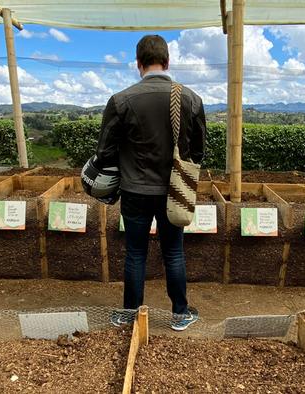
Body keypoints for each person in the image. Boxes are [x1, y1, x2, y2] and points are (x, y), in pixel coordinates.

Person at [94, 35, 206, 331]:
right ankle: (180, 314)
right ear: (167, 62)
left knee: (135, 252)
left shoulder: (120, 101)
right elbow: (198, 152)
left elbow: (104, 153)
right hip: (174, 192)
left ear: (138, 64)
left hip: (134, 190)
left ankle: (130, 313)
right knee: (173, 251)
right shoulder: (191, 99)